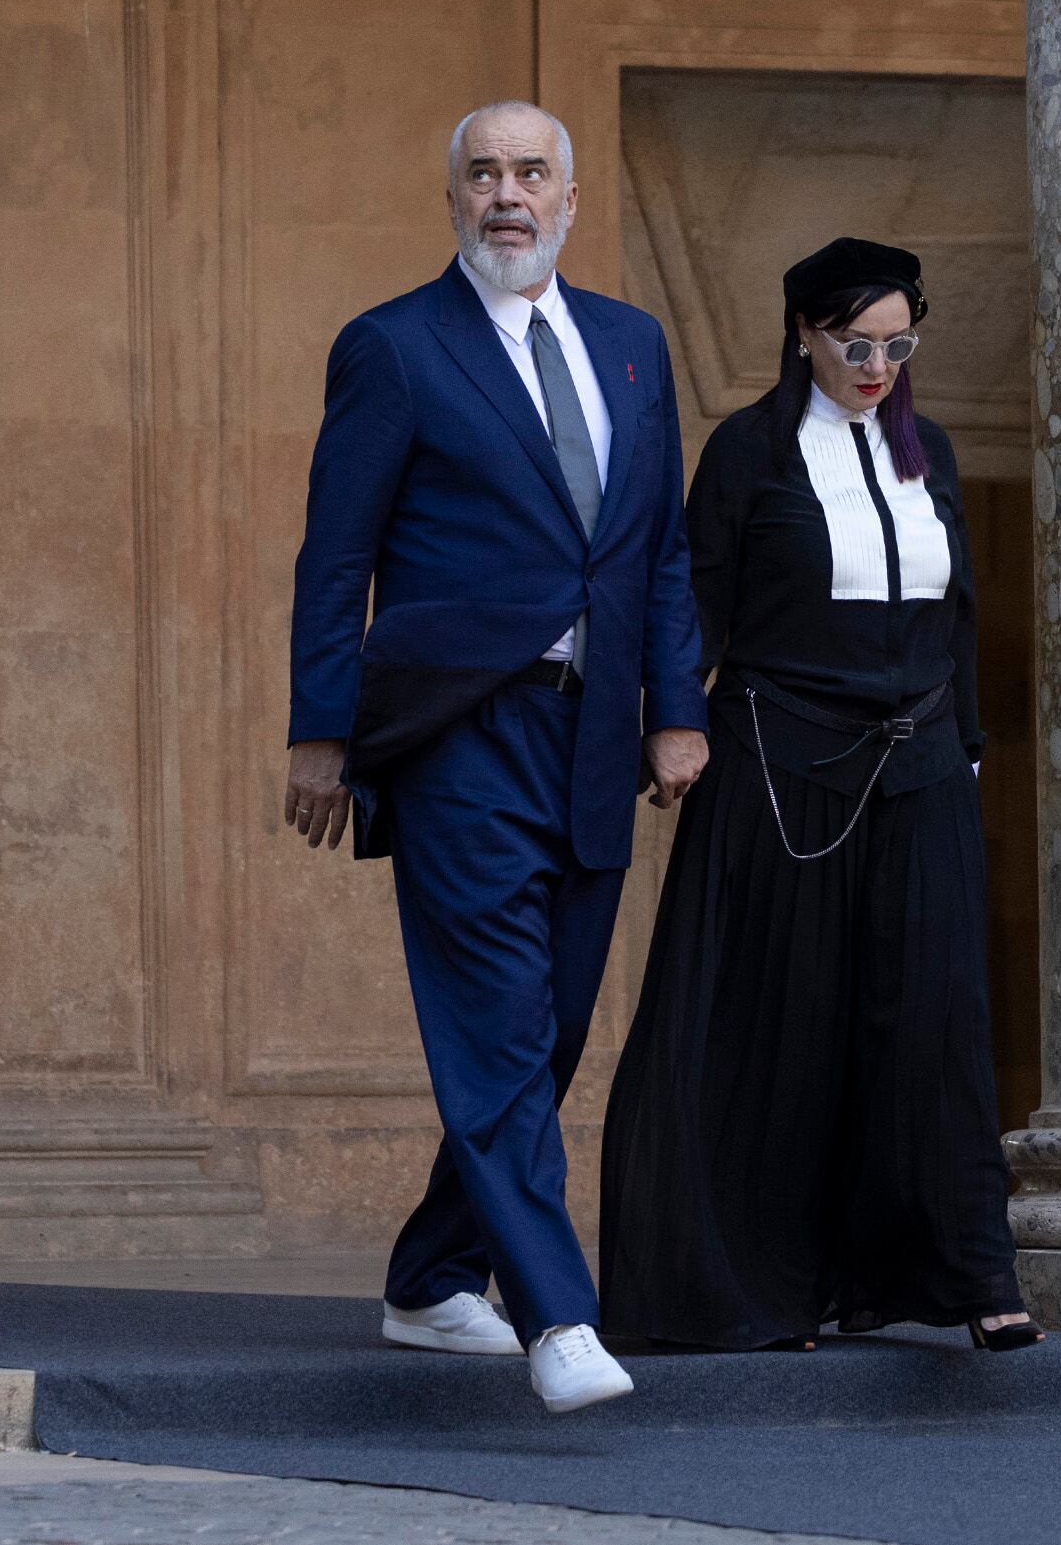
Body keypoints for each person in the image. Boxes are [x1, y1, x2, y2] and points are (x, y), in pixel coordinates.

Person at [286, 101, 709, 1411]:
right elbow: (335, 553)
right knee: (493, 1026)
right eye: (482, 174)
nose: (506, 195)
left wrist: (672, 705)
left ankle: (429, 1277)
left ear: (570, 199)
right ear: (452, 200)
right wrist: (320, 728)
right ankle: (556, 1315)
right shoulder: (395, 348)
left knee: (552, 1026)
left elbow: (658, 552)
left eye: (530, 173)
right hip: (456, 731)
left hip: (590, 734)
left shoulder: (632, 350)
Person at [598, 237, 1042, 1354]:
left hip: (922, 770)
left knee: (935, 1020)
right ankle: (762, 1289)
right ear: (803, 333)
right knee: (782, 1026)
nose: (879, 364)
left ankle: (972, 1273)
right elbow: (690, 601)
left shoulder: (927, 448)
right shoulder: (748, 453)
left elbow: (957, 613)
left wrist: (970, 746)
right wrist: (671, 716)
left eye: (898, 343)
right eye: (857, 343)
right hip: (780, 771)